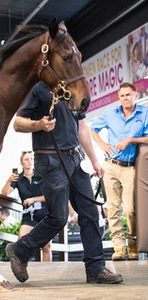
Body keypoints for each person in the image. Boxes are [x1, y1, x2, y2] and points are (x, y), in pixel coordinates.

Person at [6, 81, 123, 284]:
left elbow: (82, 127)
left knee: (89, 213)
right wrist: (39, 124)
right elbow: (18, 123)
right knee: (58, 217)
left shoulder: (71, 90)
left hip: (75, 160)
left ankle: (95, 269)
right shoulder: (38, 89)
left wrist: (94, 160)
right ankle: (20, 250)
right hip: (50, 160)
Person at [90, 82, 148, 261]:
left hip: (130, 167)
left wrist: (131, 139)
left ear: (135, 96)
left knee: (130, 209)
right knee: (113, 208)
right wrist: (101, 144)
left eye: (128, 95)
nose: (125, 98)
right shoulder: (110, 114)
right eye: (122, 95)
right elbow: (92, 129)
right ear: (119, 97)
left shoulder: (144, 113)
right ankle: (118, 247)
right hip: (110, 165)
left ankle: (132, 243)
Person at [1, 151, 51, 262]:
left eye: (31, 159)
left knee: (46, 246)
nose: (29, 162)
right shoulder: (17, 178)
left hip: (44, 214)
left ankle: (47, 273)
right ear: (21, 162)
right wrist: (8, 181)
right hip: (29, 216)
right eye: (26, 159)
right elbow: (4, 193)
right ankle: (20, 267)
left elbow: (50, 196)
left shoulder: (40, 175)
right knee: (20, 243)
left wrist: (33, 199)